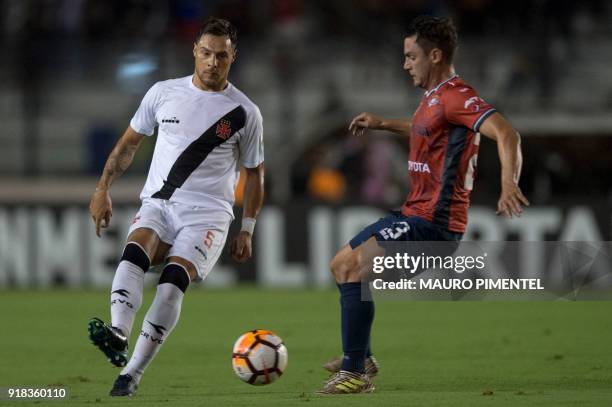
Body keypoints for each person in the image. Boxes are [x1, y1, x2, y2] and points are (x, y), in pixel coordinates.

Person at [317, 15, 529, 394]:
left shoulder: (457, 96)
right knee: (342, 266)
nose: (405, 64)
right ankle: (360, 358)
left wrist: (508, 183)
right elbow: (423, 126)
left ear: (434, 55)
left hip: (435, 224)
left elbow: (507, 132)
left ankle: (355, 374)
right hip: (414, 213)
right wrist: (383, 123)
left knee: (352, 269)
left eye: (411, 56)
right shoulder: (434, 99)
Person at [88, 17, 264, 397]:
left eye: (221, 55)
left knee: (171, 285)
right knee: (134, 252)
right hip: (160, 202)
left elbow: (255, 175)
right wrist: (103, 188)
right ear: (194, 52)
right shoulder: (162, 93)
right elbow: (128, 145)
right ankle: (118, 334)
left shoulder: (244, 113)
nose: (212, 62)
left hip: (209, 214)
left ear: (233, 57)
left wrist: (247, 228)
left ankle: (131, 374)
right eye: (205, 53)